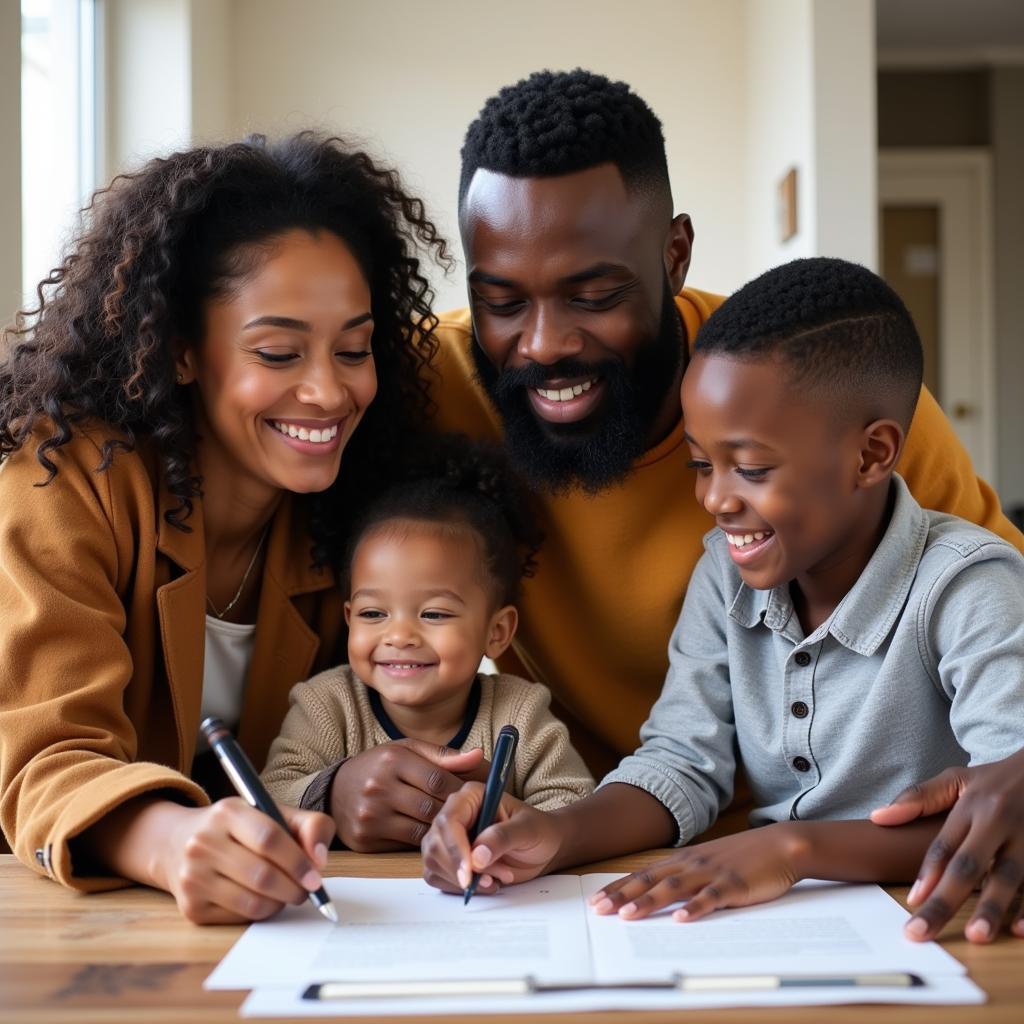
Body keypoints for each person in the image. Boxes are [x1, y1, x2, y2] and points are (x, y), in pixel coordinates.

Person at [330, 68, 1024, 936]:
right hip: (654, 857)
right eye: (503, 301)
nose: (545, 343)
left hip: (892, 892)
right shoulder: (421, 395)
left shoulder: (829, 404)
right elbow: (678, 757)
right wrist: (537, 827)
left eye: (595, 295)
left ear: (673, 254)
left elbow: (1010, 719)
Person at [421, 257, 1024, 945]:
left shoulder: (970, 586)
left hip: (939, 929)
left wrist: (796, 850)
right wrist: (553, 835)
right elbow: (681, 761)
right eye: (702, 464)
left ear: (872, 455)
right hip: (773, 921)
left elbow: (1004, 804)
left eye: (753, 468)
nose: (715, 499)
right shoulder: (725, 573)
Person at [0, 131, 464, 923]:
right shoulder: (67, 479)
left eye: (353, 349)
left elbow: (337, 734)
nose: (327, 392)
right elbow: (44, 759)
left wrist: (342, 788)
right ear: (182, 351)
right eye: (279, 353)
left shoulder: (356, 518)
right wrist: (169, 840)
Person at [261, 435, 594, 832]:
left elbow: (575, 806)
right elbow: (269, 795)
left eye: (434, 613)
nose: (399, 635)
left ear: (497, 632)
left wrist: (497, 812)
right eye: (373, 612)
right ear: (349, 617)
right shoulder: (327, 706)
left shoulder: (519, 714)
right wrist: (332, 793)